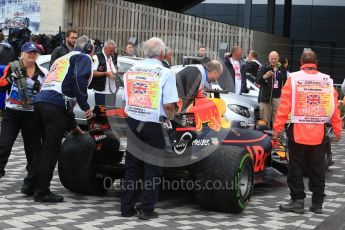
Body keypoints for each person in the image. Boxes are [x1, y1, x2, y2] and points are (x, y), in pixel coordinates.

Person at [274, 50, 342, 214]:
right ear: (316, 62)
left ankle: (298, 201)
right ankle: (317, 204)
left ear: (300, 62)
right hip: (318, 134)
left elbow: (284, 107)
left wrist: (276, 129)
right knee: (317, 168)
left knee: (295, 168)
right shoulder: (326, 81)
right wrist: (338, 131)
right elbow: (333, 108)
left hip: (297, 133)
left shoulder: (294, 79)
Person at [121, 37, 178, 220]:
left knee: (132, 166)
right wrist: (171, 118)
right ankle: (146, 209)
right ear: (162, 54)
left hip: (133, 120)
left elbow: (125, 98)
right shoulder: (165, 72)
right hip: (154, 123)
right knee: (152, 168)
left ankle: (127, 207)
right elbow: (169, 105)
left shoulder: (131, 70)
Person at [33, 35, 94, 202]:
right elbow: (78, 81)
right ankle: (41, 191)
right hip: (55, 106)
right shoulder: (84, 58)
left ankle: (30, 184)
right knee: (51, 150)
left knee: (41, 148)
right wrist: (86, 107)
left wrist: (73, 125)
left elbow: (64, 92)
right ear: (88, 48)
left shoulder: (61, 59)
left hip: (40, 103)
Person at [0, 42, 47, 193]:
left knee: (33, 150)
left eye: (35, 52)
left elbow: (45, 94)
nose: (32, 55)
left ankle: (30, 183)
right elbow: (1, 86)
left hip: (31, 115)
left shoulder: (42, 73)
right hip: (12, 113)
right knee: (4, 145)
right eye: (29, 52)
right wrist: (14, 76)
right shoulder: (13, 67)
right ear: (22, 53)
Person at [256, 51, 287, 128]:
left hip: (278, 98)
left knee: (277, 120)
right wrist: (265, 76)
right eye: (271, 59)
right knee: (264, 121)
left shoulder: (282, 68)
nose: (273, 60)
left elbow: (285, 82)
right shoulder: (264, 67)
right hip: (266, 98)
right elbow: (257, 80)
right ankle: (264, 137)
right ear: (268, 58)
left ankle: (275, 137)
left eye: (275, 59)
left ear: (278, 59)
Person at [89, 39, 120, 105]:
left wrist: (117, 74)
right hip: (101, 92)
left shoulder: (114, 57)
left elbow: (117, 70)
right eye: (111, 50)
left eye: (113, 50)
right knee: (101, 114)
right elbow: (92, 73)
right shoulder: (97, 57)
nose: (112, 52)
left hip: (112, 92)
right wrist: (106, 74)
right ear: (105, 48)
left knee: (110, 114)